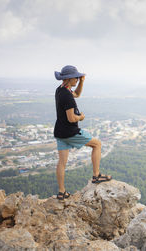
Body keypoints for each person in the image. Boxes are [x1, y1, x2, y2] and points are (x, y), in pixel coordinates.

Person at [54, 65, 112, 200]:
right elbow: (71, 118)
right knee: (97, 144)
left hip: (60, 131)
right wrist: (81, 117)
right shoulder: (67, 96)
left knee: (62, 163)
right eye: (76, 78)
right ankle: (96, 175)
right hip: (70, 132)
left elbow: (78, 94)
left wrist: (82, 82)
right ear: (68, 78)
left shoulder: (61, 90)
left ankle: (62, 192)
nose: (77, 79)